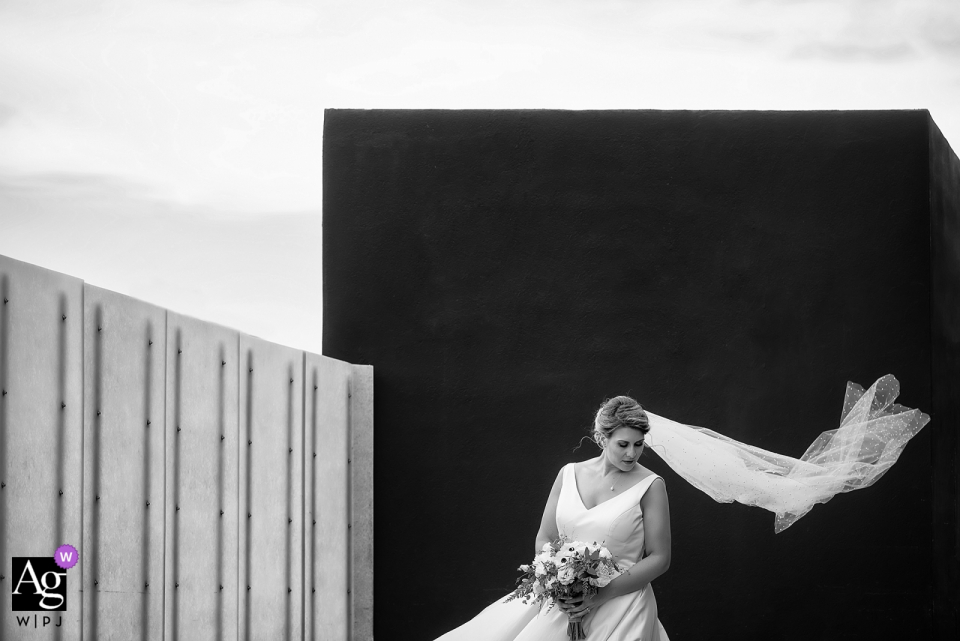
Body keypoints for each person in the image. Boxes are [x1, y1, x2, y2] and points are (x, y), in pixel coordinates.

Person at [435, 395, 671, 641]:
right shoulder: (568, 474)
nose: (632, 454)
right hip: (565, 602)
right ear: (602, 439)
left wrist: (599, 596)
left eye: (639, 444)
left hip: (623, 604)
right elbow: (545, 538)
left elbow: (660, 557)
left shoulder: (651, 485)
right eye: (623, 445)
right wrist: (558, 585)